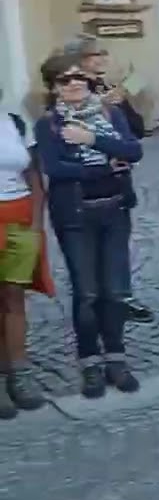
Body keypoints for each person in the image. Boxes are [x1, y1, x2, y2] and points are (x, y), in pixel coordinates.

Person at [34, 53, 142, 397]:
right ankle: (90, 362)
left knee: (114, 289)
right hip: (75, 215)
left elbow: (133, 150)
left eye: (79, 77)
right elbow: (55, 168)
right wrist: (105, 167)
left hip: (114, 210)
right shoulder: (48, 124)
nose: (75, 83)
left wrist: (91, 140)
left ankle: (116, 358)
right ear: (53, 87)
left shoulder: (109, 113)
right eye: (65, 80)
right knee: (87, 292)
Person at [0, 90, 52, 417]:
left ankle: (19, 373)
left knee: (14, 297)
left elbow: (34, 176)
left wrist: (36, 224)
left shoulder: (15, 122)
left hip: (19, 215)